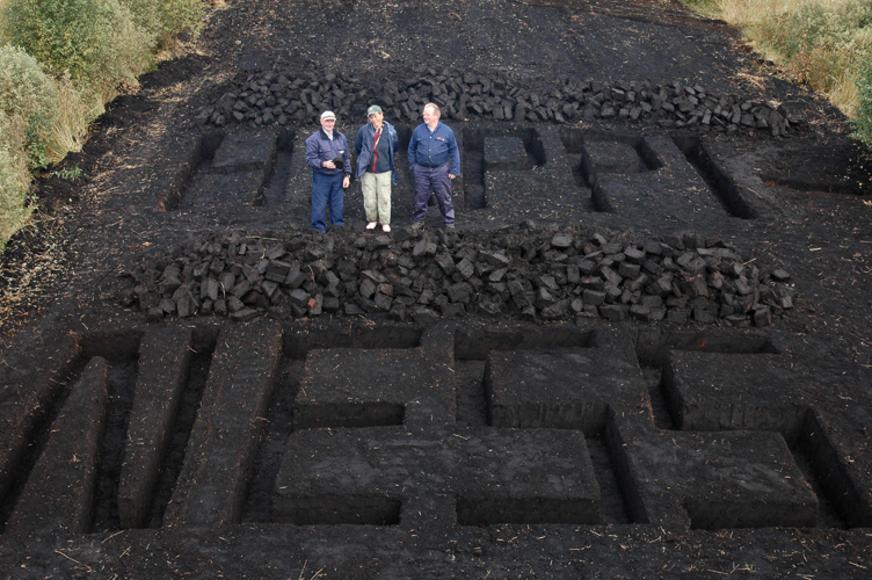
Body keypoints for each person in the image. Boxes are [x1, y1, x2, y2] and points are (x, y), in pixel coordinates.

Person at [407, 102, 461, 230]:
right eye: (424, 114)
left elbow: (454, 150)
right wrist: (413, 166)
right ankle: (419, 220)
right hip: (421, 170)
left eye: (427, 114)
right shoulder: (418, 130)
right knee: (420, 196)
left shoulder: (447, 131)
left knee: (444, 197)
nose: (424, 116)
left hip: (440, 170)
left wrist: (454, 169)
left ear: (436, 116)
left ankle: (449, 222)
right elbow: (411, 149)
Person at [304, 110, 351, 232]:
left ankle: (338, 228)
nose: (330, 123)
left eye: (332, 121)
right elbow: (310, 159)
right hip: (321, 178)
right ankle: (319, 230)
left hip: (338, 177)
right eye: (327, 121)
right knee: (319, 204)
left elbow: (346, 158)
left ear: (335, 122)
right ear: (321, 122)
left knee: (337, 204)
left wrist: (347, 175)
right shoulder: (313, 139)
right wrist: (323, 163)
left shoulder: (341, 137)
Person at [354, 105, 399, 233]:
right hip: (367, 171)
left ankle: (385, 222)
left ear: (382, 114)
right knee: (369, 197)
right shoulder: (363, 130)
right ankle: (372, 220)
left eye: (376, 115)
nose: (374, 119)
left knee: (384, 197)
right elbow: (358, 147)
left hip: (385, 170)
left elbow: (395, 147)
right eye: (371, 117)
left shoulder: (391, 131)